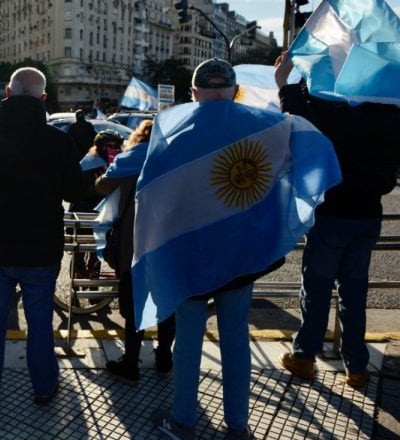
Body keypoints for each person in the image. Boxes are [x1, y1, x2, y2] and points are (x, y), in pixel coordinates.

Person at [143, 58, 339, 440]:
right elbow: (309, 143)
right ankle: (238, 427)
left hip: (189, 256)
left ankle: (183, 421)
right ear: (234, 90)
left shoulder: (172, 134)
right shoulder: (263, 127)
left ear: (194, 93)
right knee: (235, 338)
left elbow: (152, 198)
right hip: (240, 256)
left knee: (188, 339)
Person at [0, 67, 84, 404]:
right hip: (42, 251)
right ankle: (43, 388)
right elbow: (75, 189)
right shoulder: (59, 141)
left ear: (7, 95)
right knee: (40, 323)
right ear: (43, 99)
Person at [275, 52, 400, 389]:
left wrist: (287, 79)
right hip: (369, 215)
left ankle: (304, 357)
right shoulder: (391, 114)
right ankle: (356, 367)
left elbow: (298, 111)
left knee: (316, 288)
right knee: (354, 291)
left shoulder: (337, 113)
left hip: (331, 214)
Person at [95, 120, 176, 383]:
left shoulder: (129, 159)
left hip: (135, 244)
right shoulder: (176, 159)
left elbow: (101, 187)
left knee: (134, 304)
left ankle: (131, 363)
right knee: (167, 303)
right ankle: (164, 359)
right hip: (168, 241)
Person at [70, 129, 123, 278]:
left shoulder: (112, 162)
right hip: (85, 211)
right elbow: (84, 191)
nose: (114, 149)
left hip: (103, 211)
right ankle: (79, 270)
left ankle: (91, 272)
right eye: (109, 145)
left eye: (116, 145)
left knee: (97, 249)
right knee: (84, 245)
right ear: (100, 146)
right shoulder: (88, 164)